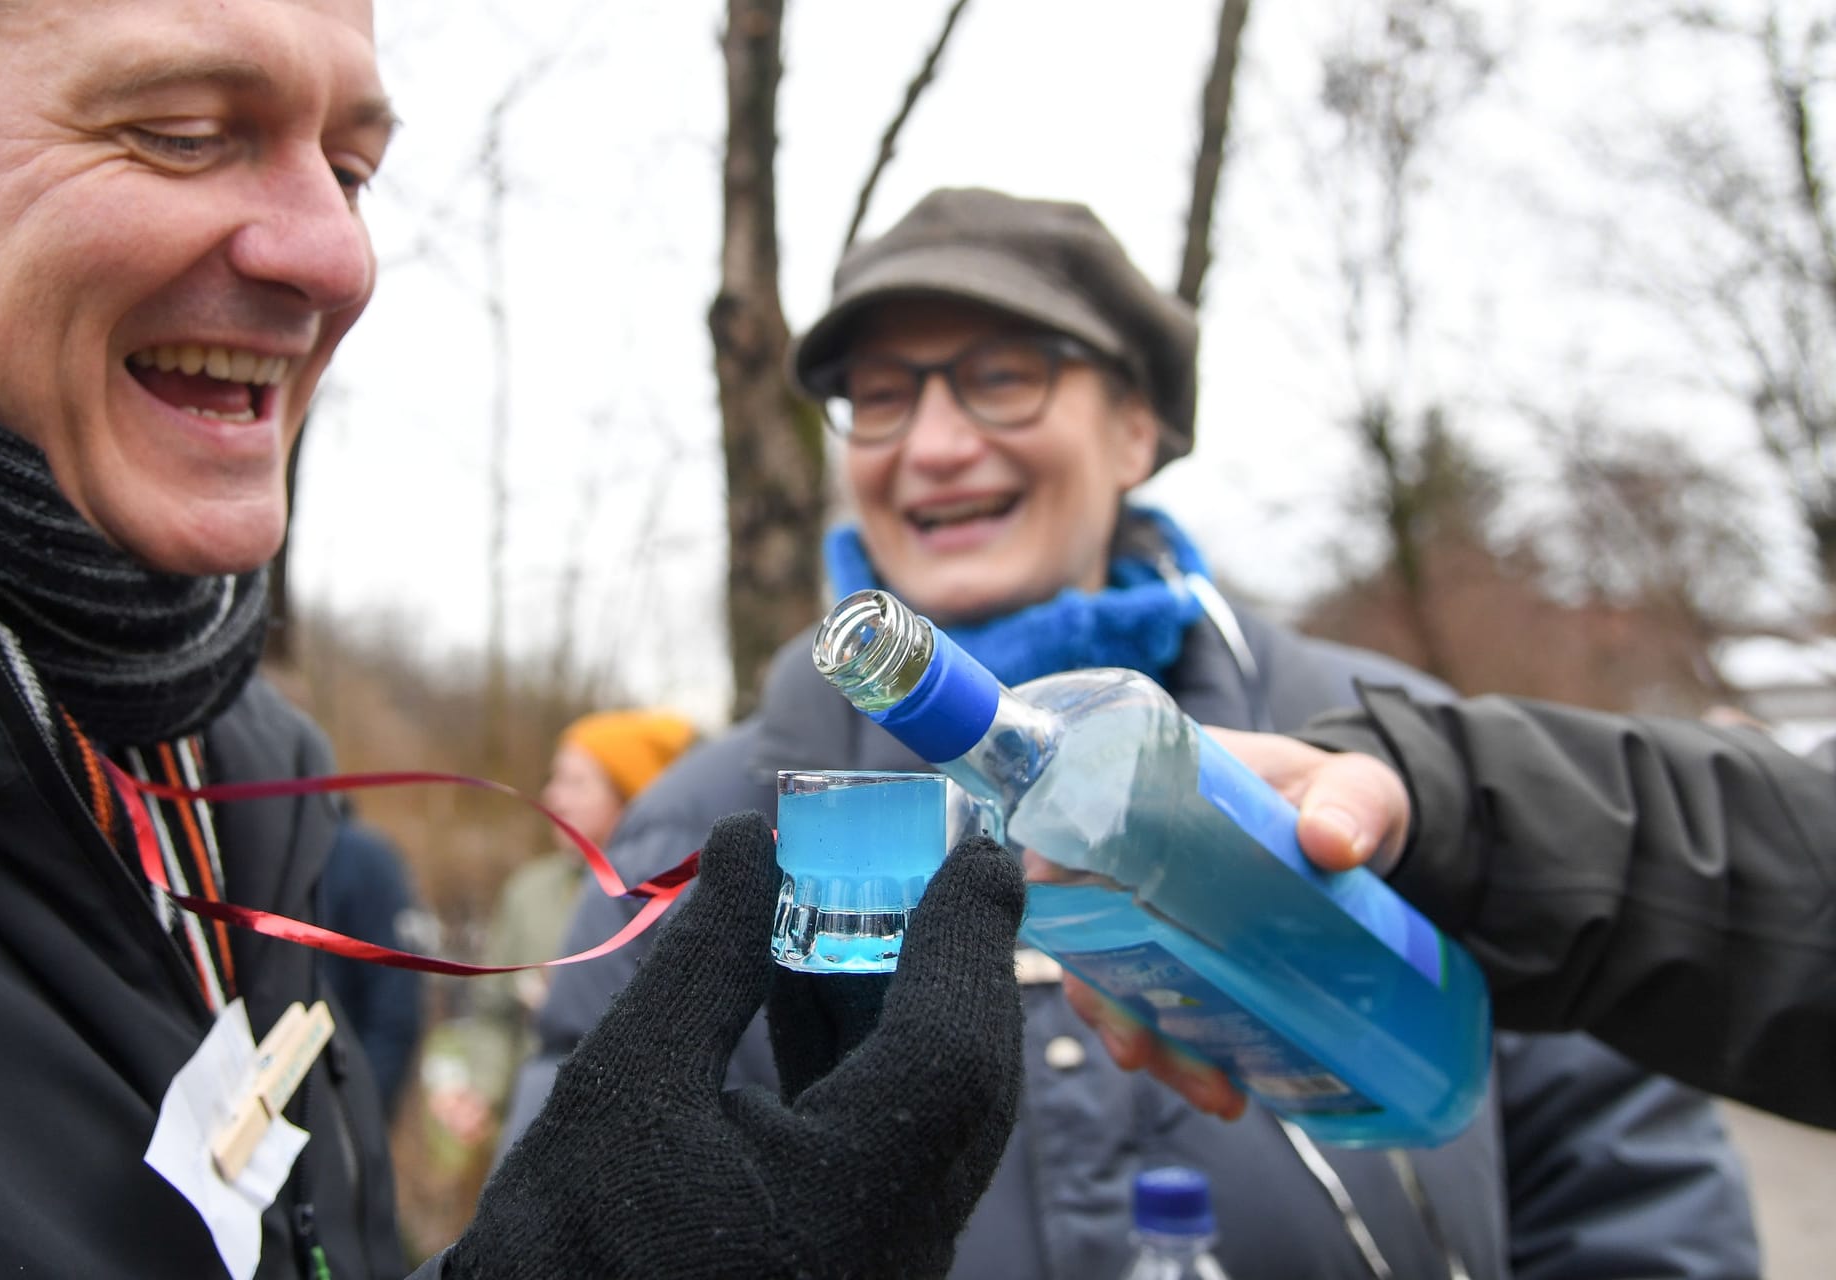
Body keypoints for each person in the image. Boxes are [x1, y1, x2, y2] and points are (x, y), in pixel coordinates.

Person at [0, 4, 1026, 1276]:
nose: (340, 257)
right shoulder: (705, 801)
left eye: (350, 170)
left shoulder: (249, 782)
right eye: (178, 134)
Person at [517, 187, 1763, 1279]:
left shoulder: (1393, 764)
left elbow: (1635, 1196)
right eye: (880, 398)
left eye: (1003, 374)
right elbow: (570, 1195)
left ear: (1138, 428)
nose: (934, 444)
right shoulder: (708, 824)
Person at [1077, 689, 1836, 1132]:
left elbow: (1630, 1174)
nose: (951, 448)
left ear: (1139, 427)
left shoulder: (1352, 690)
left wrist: (1446, 823)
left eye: (1001, 399)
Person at [439, 709, 697, 1147]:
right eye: (554, 779)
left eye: (576, 783)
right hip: (531, 1138)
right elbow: (495, 1015)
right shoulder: (529, 891)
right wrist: (481, 1088)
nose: (553, 797)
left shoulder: (677, 896)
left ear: (629, 795)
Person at [317, 806, 430, 1121]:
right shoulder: (249, 852)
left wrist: (361, 1118)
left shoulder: (363, 861)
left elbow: (396, 1006)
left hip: (342, 1110)